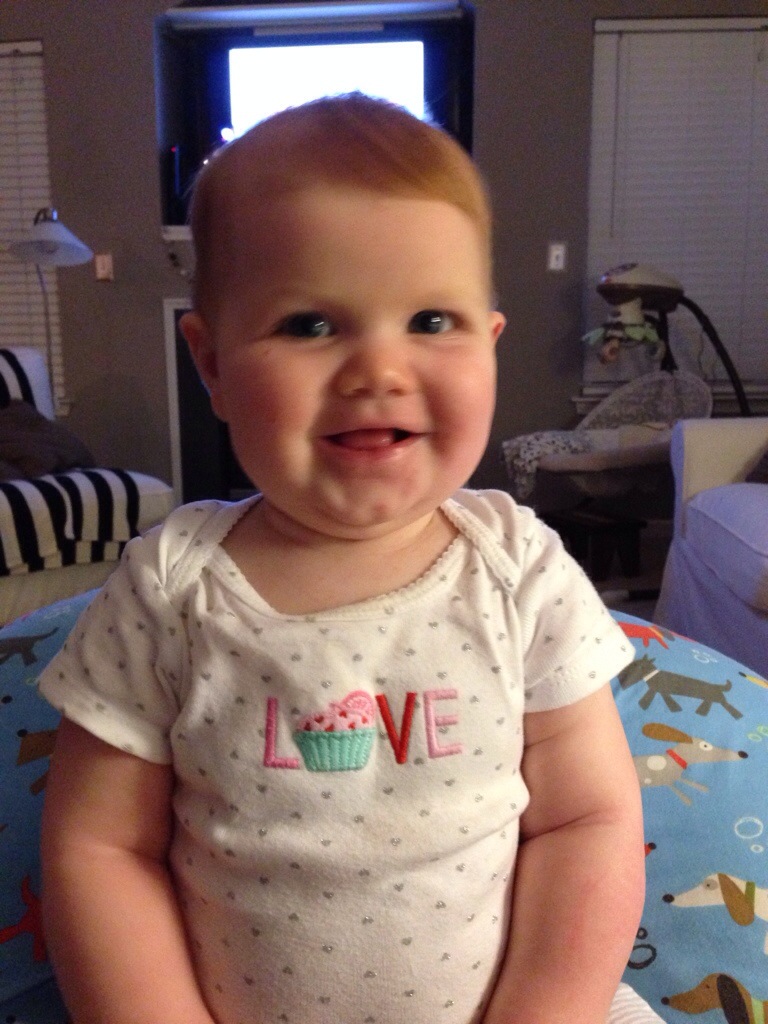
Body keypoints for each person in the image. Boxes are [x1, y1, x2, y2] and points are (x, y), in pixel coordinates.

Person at [39, 93, 659, 1024]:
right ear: (212, 365)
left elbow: (588, 821)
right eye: (310, 325)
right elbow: (100, 850)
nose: (379, 369)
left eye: (432, 321)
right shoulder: (171, 589)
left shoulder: (519, 569)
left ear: (490, 343)